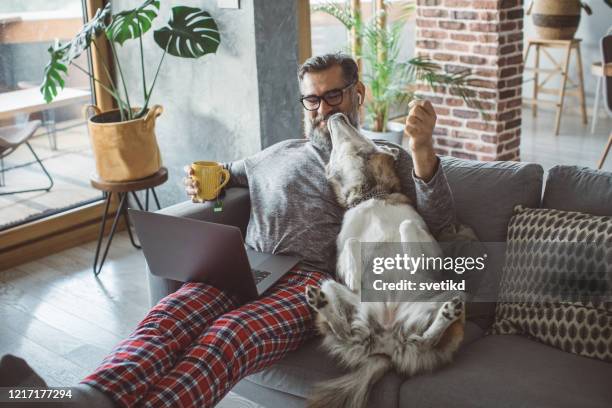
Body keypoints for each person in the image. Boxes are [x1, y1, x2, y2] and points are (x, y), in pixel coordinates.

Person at [1, 53, 455, 408]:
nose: (321, 110)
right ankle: (85, 399)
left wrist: (422, 149)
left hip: (310, 282)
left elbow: (438, 223)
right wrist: (203, 181)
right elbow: (220, 178)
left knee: (229, 336)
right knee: (166, 319)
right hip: (244, 266)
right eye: (312, 100)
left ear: (359, 94)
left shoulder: (380, 157)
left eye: (333, 96)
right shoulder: (275, 153)